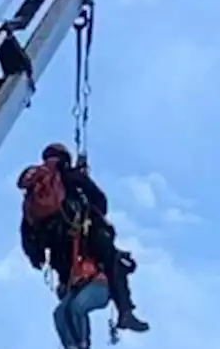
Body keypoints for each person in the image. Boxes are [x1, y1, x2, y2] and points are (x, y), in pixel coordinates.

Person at [18, 143, 150, 333]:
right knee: (113, 261)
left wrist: (35, 256)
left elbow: (26, 227)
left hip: (56, 249)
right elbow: (100, 201)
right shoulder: (70, 176)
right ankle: (125, 312)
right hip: (83, 236)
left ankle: (75, 342)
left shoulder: (34, 191)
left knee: (69, 286)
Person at [51, 225, 112, 349]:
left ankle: (82, 343)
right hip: (78, 286)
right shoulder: (69, 251)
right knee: (60, 312)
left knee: (77, 307)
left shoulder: (95, 241)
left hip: (98, 284)